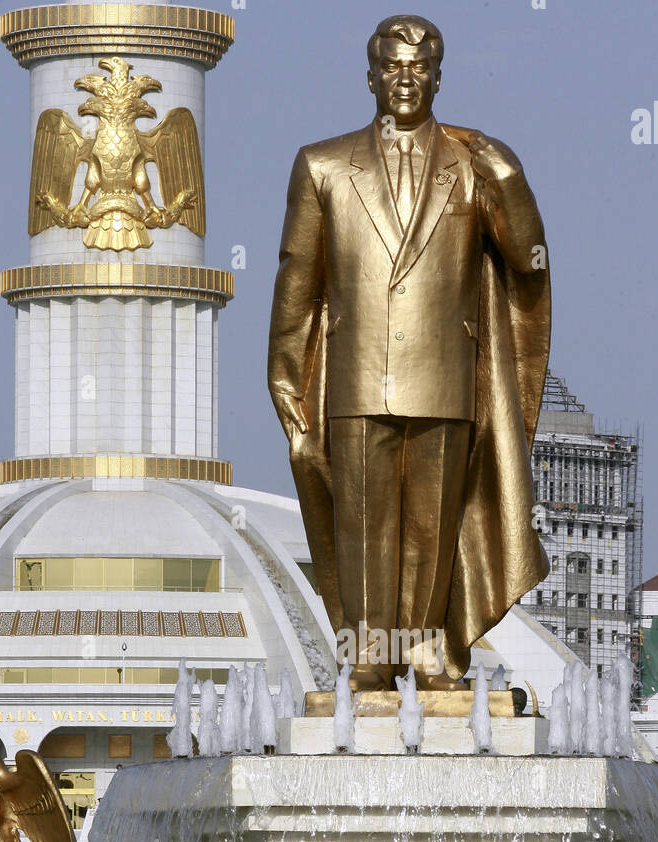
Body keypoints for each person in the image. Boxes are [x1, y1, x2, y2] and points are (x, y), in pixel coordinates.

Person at [268, 13, 550, 691]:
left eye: (417, 68)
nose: (404, 79)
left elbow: (526, 262)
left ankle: (426, 655)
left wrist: (509, 180)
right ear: (370, 77)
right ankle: (368, 656)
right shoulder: (323, 164)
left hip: (446, 379)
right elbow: (295, 285)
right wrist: (288, 395)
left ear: (437, 77)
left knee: (432, 530)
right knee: (363, 527)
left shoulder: (473, 165)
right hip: (355, 382)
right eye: (391, 67)